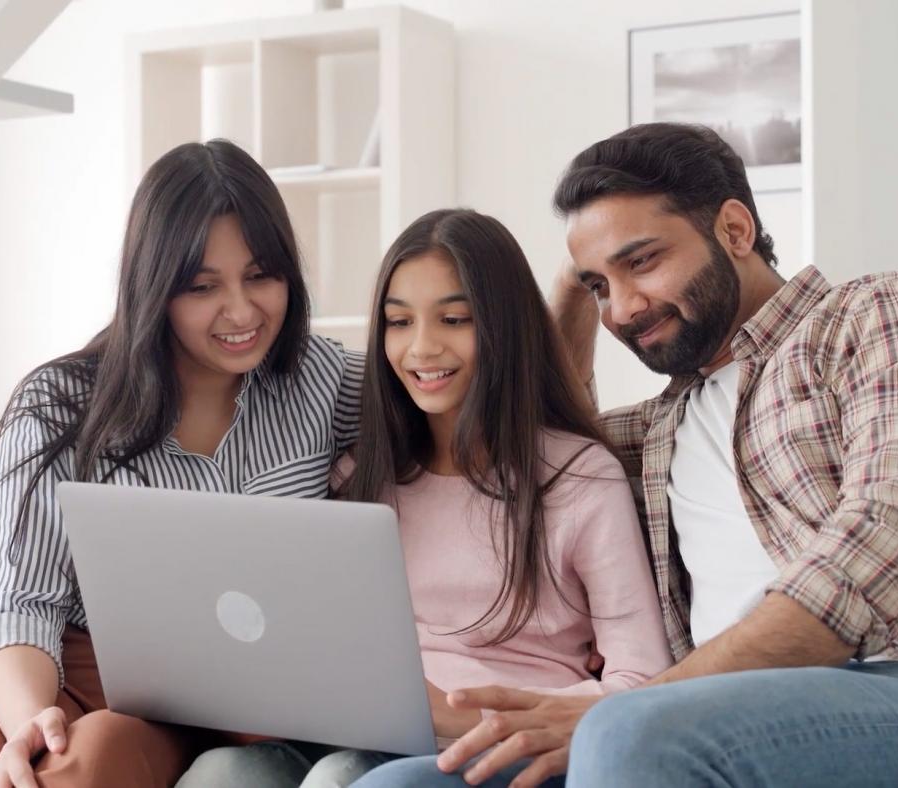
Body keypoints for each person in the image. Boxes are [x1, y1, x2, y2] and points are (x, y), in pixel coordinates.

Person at [356, 124, 898, 787]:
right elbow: (531, 422)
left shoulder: (884, 316)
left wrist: (649, 702)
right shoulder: (654, 435)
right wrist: (565, 289)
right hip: (690, 724)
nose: (623, 308)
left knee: (625, 729)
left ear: (735, 228)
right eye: (599, 286)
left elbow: (886, 545)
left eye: (640, 262)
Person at [0, 138, 363, 788]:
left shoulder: (328, 381)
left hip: (229, 697)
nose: (241, 311)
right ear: (152, 287)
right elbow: (20, 600)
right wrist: (29, 723)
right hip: (67, 665)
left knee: (82, 765)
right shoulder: (58, 403)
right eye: (203, 287)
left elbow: (474, 423)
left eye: (261, 276)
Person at [177, 208, 671, 787]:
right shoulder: (362, 479)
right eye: (399, 322)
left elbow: (640, 679)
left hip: (503, 749)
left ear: (504, 327)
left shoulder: (579, 479)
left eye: (454, 319)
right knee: (223, 774)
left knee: (341, 779)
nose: (422, 348)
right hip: (357, 737)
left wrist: (439, 708)